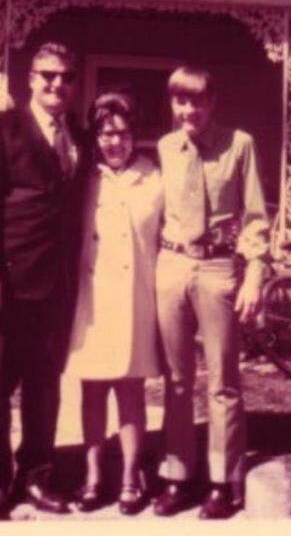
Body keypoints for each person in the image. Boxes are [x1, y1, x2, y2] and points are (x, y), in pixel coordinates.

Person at [0, 42, 90, 520]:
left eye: (67, 77)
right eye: (48, 76)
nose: (58, 84)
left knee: (45, 385)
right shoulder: (1, 127)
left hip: (55, 286)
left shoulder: (79, 135)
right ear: (31, 79)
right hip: (5, 283)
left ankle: (37, 473)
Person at [151, 65, 269, 520]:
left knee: (223, 379)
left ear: (212, 102)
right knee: (176, 380)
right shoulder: (165, 148)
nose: (189, 109)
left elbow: (256, 216)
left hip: (217, 266)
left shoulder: (239, 145)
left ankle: (223, 480)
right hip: (172, 265)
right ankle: (177, 475)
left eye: (197, 100)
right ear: (173, 104)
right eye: (181, 101)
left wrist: (255, 271)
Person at [65, 91, 163, 515]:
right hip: (91, 300)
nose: (114, 142)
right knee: (91, 389)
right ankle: (92, 476)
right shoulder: (83, 178)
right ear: (96, 137)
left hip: (135, 299)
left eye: (122, 133)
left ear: (134, 136)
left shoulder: (153, 179)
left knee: (130, 390)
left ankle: (130, 476)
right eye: (106, 133)